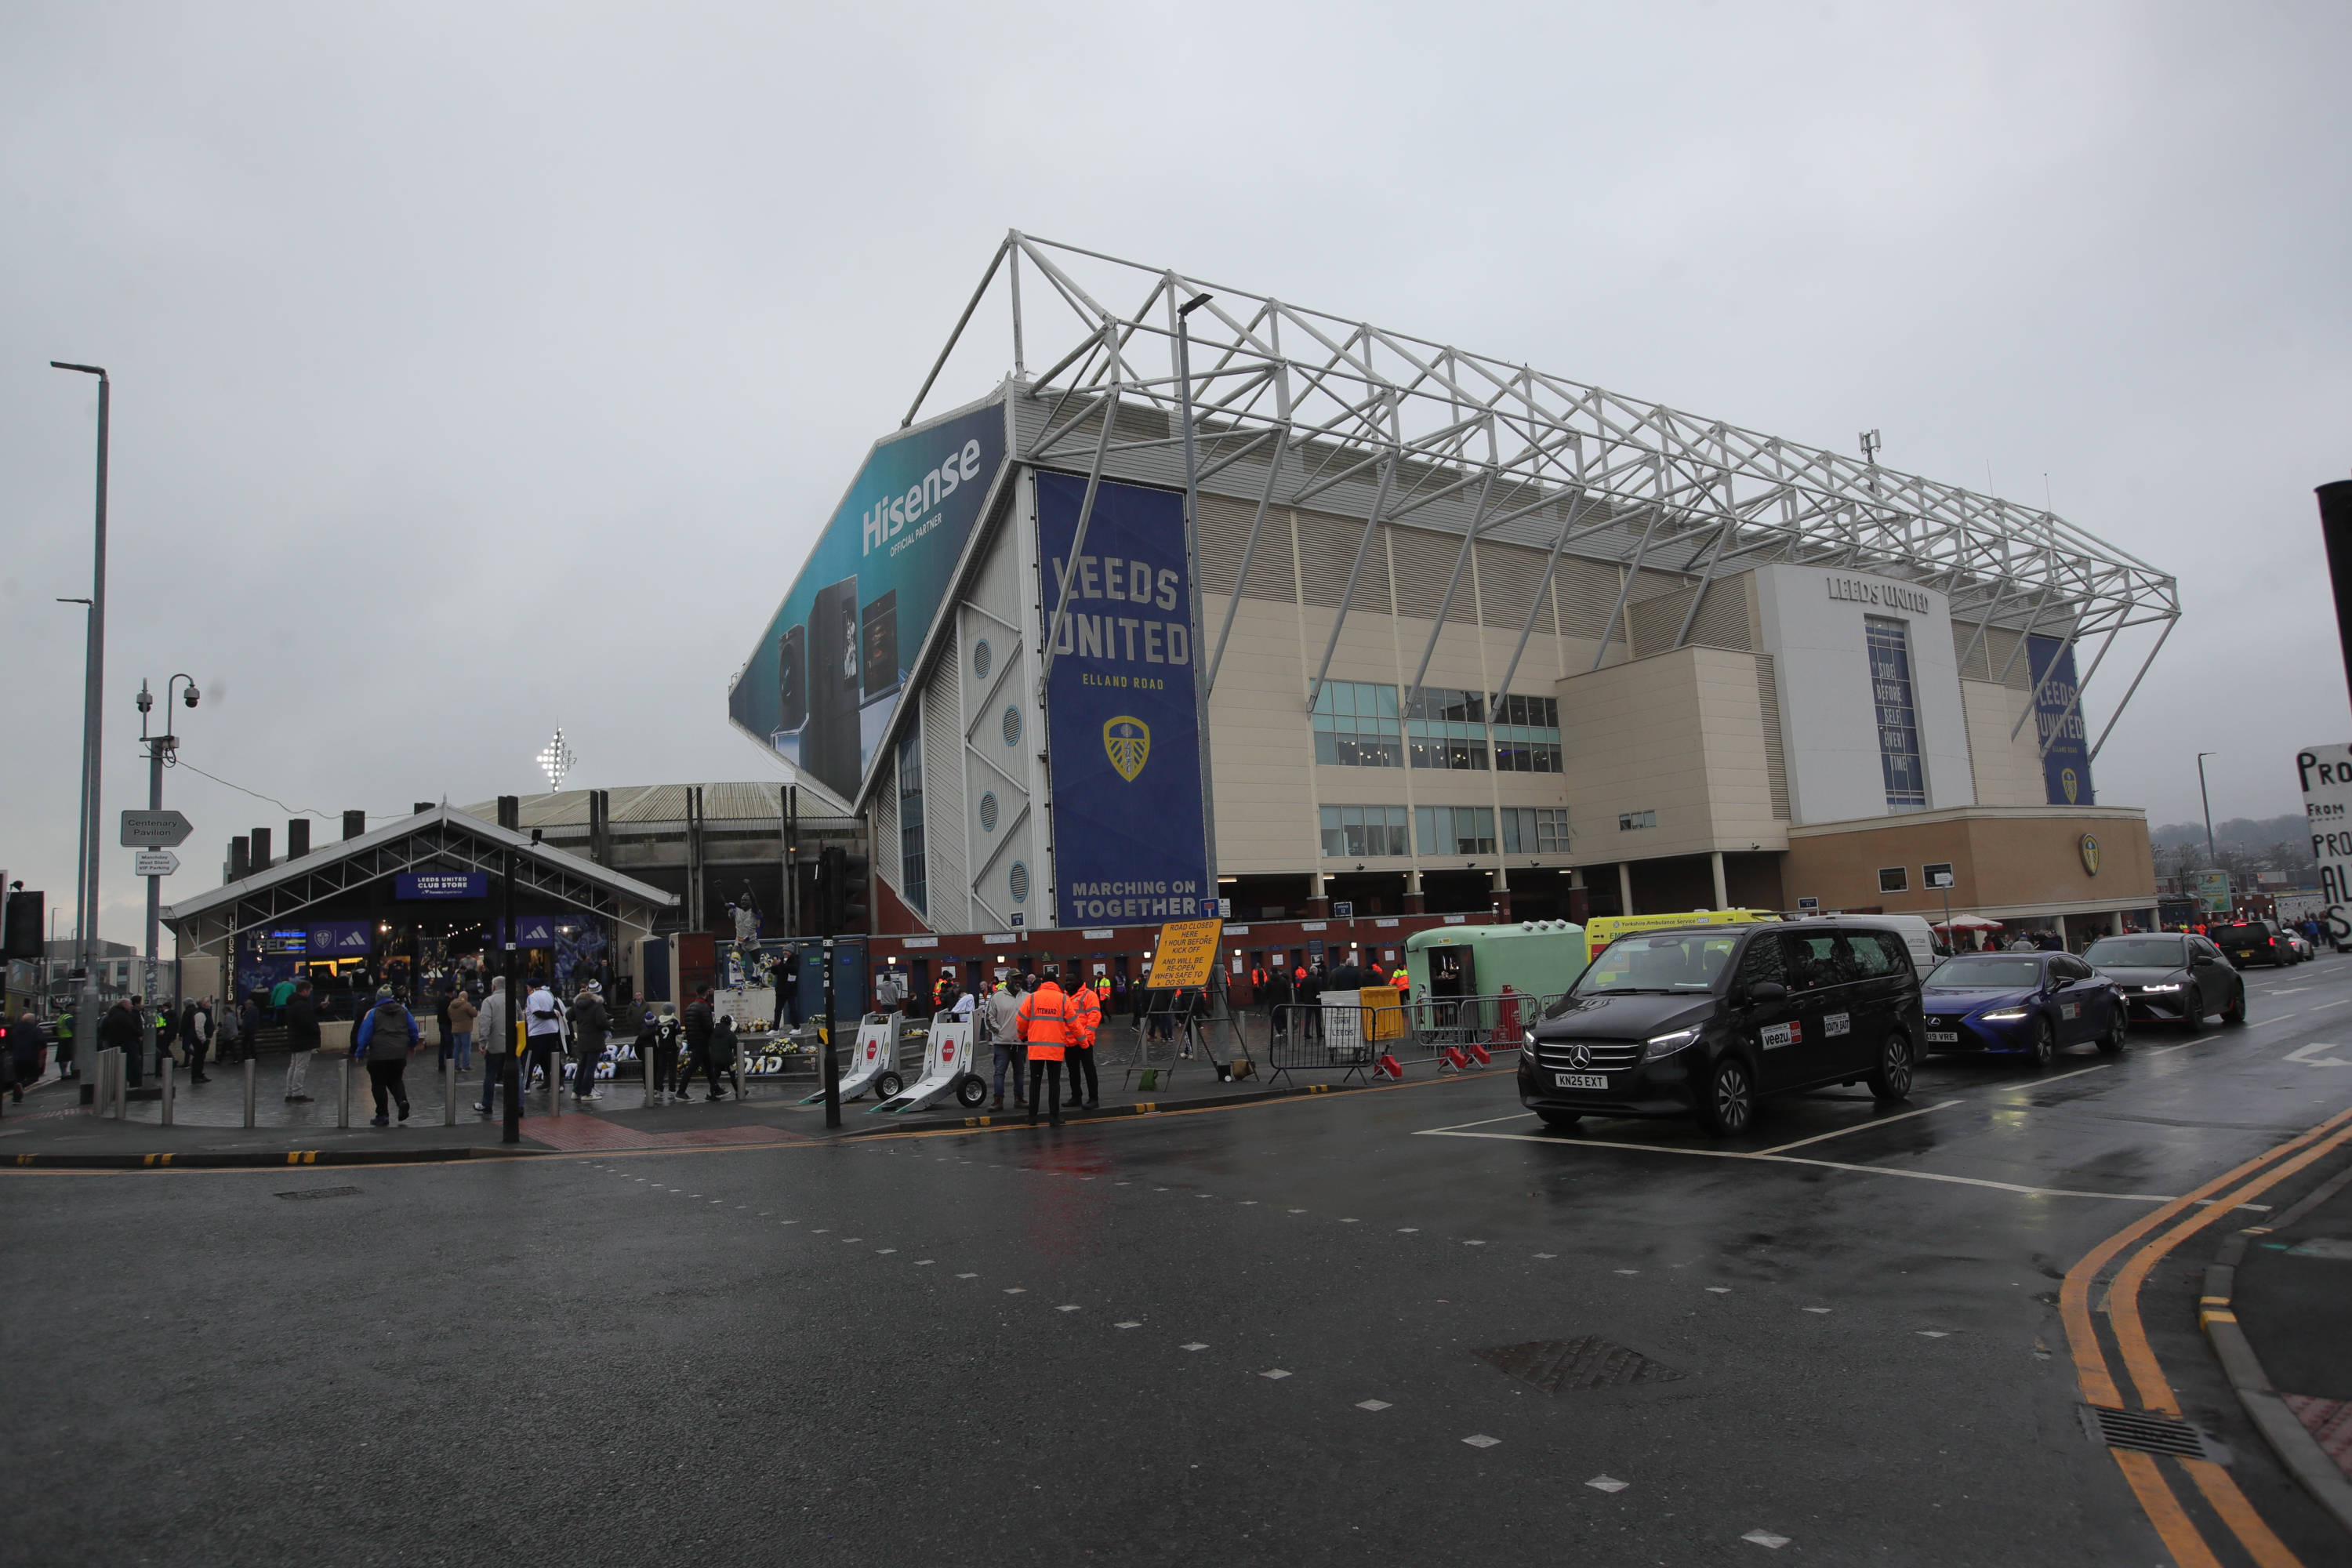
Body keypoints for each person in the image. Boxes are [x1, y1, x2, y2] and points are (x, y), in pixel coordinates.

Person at [353, 985, 419, 1126]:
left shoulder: (373, 1013)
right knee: (396, 1080)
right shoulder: (403, 1010)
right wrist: (412, 1046)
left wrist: (360, 1052)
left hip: (379, 1055)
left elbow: (365, 1034)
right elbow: (413, 1029)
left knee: (379, 1084)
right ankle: (402, 1101)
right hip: (399, 1054)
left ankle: (382, 1115)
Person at [1016, 968, 1072, 1127]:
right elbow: (1074, 1023)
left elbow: (1020, 1020)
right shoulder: (1063, 999)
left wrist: (1022, 1036)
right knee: (1054, 1083)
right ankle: (1054, 1118)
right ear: (1055, 982)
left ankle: (1032, 1117)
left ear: (1042, 982)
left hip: (1036, 1049)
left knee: (1035, 1083)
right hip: (1055, 1050)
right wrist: (1083, 1042)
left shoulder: (1032, 998)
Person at [474, 976, 515, 1117]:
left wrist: (482, 1043)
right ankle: (514, 1104)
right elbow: (521, 1020)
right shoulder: (513, 1000)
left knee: (490, 1075)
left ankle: (487, 1104)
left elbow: (485, 1023)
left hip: (495, 1045)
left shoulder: (489, 1001)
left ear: (493, 987)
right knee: (512, 1075)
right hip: (511, 1045)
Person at [986, 976, 1025, 1111]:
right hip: (1002, 1043)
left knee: (1020, 1072)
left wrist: (1026, 1034)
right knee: (999, 1072)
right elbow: (989, 1018)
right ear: (1008, 980)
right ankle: (998, 1100)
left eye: (1020, 979)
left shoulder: (1027, 996)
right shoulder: (997, 997)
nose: (1018, 982)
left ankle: (1019, 1098)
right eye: (1015, 979)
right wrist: (1000, 1032)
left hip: (1020, 1043)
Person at [569, 980, 610, 1103]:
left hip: (582, 1040)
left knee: (582, 1066)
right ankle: (586, 1093)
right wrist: (609, 1025)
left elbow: (568, 1016)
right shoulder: (597, 1005)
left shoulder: (578, 1004)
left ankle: (576, 1091)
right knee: (590, 1067)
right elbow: (601, 1022)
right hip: (595, 1040)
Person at [523, 979, 565, 1095]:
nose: (527, 989)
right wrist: (554, 1015)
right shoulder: (549, 995)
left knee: (531, 1060)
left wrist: (551, 1015)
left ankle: (525, 1086)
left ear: (531, 987)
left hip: (537, 1032)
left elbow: (537, 1013)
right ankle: (560, 1084)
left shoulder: (532, 997)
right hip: (552, 1030)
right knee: (552, 1058)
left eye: (527, 987)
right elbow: (557, 1010)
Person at [1066, 974, 1102, 1109]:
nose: (1068, 983)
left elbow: (1094, 1016)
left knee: (1089, 1070)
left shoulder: (1089, 995)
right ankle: (1076, 1097)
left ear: (1079, 981)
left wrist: (1086, 1037)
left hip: (1084, 1041)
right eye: (1067, 980)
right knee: (1073, 1071)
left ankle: (1094, 1099)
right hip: (1069, 1042)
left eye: (1071, 980)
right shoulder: (1065, 997)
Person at [681, 987, 716, 1099]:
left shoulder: (690, 1006)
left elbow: (688, 1025)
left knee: (709, 1067)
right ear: (706, 993)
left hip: (694, 1040)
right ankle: (681, 1091)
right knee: (692, 1067)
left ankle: (716, 1088)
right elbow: (708, 1026)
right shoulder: (704, 1007)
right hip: (702, 1040)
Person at [100, 996, 143, 1087]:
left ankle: (121, 1083)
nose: (131, 1006)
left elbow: (103, 1030)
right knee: (132, 1063)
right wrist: (139, 1034)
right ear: (124, 1005)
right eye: (129, 1004)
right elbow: (130, 1028)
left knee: (122, 1064)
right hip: (127, 1042)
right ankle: (134, 1082)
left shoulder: (112, 1014)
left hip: (115, 1043)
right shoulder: (123, 1016)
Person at [9, 1007, 45, 1102]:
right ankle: (22, 1086)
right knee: (34, 1077)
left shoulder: (15, 1030)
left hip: (17, 1058)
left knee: (18, 1077)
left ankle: (16, 1097)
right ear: (32, 1020)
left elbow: (9, 1043)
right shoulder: (35, 1030)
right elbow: (42, 1042)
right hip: (31, 1057)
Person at [446, 986, 478, 1075]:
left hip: (455, 1029)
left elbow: (449, 1015)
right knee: (466, 1048)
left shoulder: (451, 1005)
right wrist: (474, 1009)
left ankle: (456, 1066)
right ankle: (466, 1066)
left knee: (456, 1048)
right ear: (466, 997)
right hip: (465, 1030)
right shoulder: (466, 1005)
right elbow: (474, 1014)